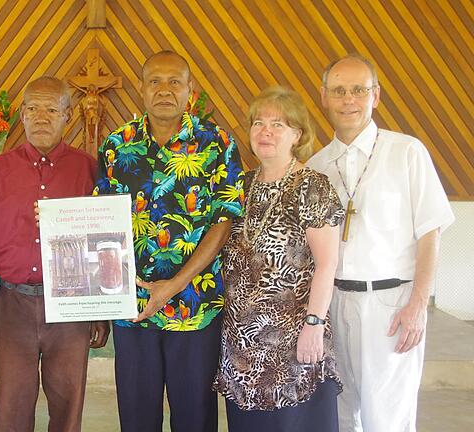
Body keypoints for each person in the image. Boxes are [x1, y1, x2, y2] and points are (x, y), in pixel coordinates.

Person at [94, 50, 244, 431]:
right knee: (137, 416)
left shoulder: (217, 145)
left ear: (189, 90)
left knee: (195, 417)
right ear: (141, 90)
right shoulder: (116, 145)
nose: (164, 90)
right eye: (155, 81)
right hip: (133, 309)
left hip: (195, 307)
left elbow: (223, 222)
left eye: (174, 81)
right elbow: (101, 222)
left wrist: (175, 284)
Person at [307, 54, 455, 432]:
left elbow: (430, 231)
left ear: (376, 95)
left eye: (359, 89)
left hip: (390, 306)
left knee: (387, 419)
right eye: (339, 91)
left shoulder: (407, 152)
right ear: (323, 97)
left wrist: (418, 304)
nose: (349, 99)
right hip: (334, 304)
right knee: (340, 416)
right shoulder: (317, 166)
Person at [0, 76, 110, 432]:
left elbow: (103, 239)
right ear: (22, 115)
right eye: (33, 109)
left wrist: (99, 310)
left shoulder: (88, 169)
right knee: (12, 409)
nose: (41, 117)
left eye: (51, 109)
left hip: (71, 307)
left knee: (67, 406)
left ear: (68, 115)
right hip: (13, 303)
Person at [213, 86, 343, 432]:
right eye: (258, 123)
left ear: (297, 135)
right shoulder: (240, 185)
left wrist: (313, 326)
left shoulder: (313, 186)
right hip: (242, 346)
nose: (265, 132)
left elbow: (327, 264)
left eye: (278, 125)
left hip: (293, 342)